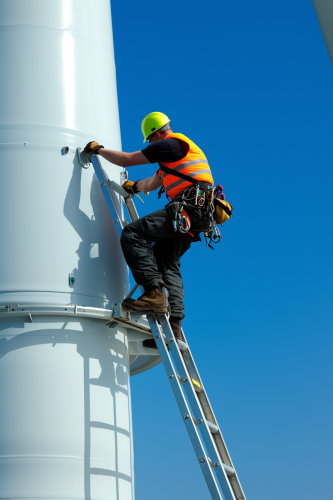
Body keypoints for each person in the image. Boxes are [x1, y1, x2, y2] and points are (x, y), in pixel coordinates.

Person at [84, 112, 214, 348]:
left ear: (155, 133)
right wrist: (134, 187)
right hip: (199, 217)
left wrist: (98, 150)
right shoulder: (173, 158)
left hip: (190, 209)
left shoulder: (171, 145)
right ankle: (174, 328)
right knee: (166, 261)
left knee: (133, 234)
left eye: (150, 139)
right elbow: (152, 183)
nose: (151, 144)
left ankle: (153, 294)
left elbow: (126, 159)